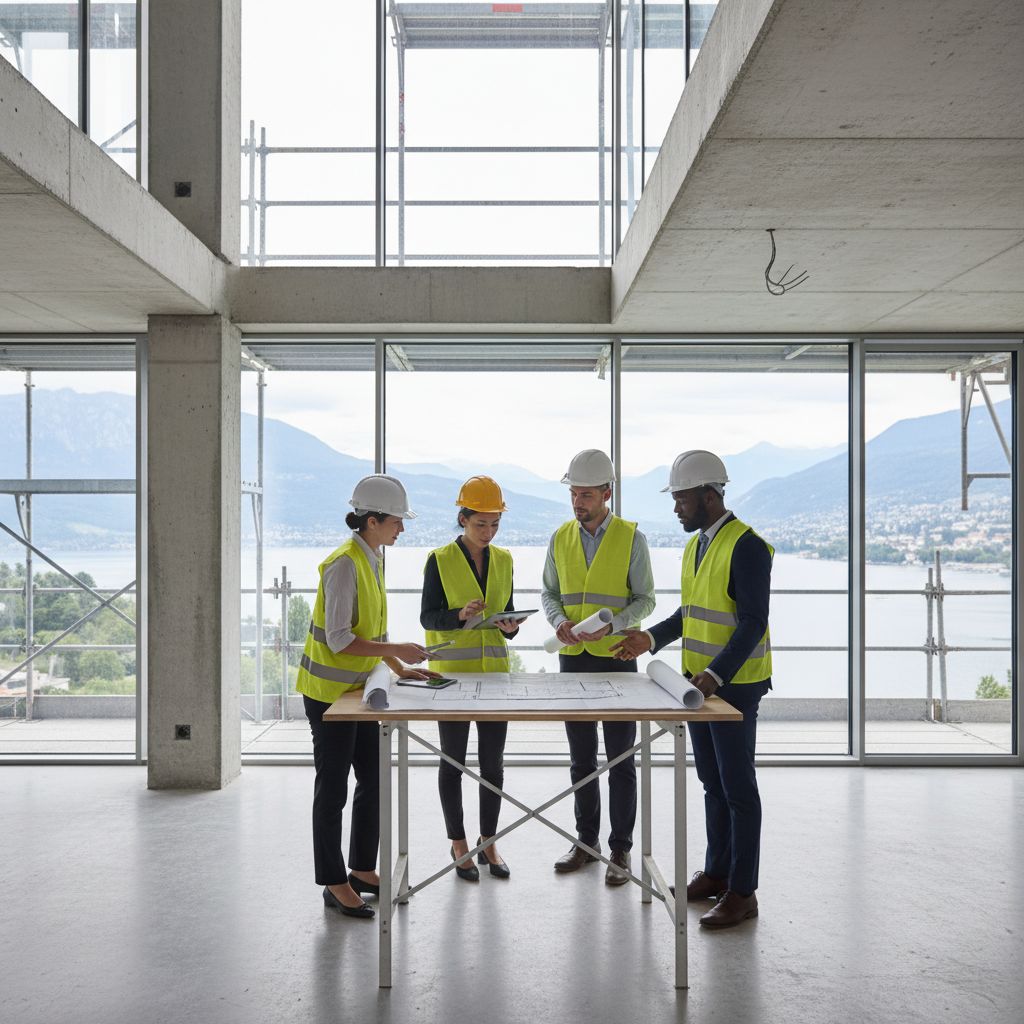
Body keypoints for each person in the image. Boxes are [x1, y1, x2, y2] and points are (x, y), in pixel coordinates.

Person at [611, 450, 773, 928]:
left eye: (681, 499)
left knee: (738, 788)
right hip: (697, 687)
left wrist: (716, 675)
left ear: (708, 496)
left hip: (735, 687)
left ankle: (743, 891)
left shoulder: (746, 546)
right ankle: (718, 873)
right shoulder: (697, 545)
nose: (676, 507)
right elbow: (691, 614)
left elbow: (753, 622)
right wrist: (650, 638)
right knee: (712, 783)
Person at [297, 474, 435, 919]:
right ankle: (333, 881)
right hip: (328, 697)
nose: (402, 528)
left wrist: (398, 666)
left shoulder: (371, 558)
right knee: (333, 789)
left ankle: (360, 869)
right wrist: (398, 651)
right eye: (396, 521)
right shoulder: (344, 565)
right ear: (372, 521)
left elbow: (374, 630)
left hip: (357, 693)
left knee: (372, 781)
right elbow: (339, 639)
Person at [542, 449, 656, 885]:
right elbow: (550, 593)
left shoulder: (631, 538)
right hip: (572, 661)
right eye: (573, 493)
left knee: (621, 759)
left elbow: (645, 599)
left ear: (607, 493)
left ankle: (620, 850)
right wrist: (559, 621)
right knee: (581, 759)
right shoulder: (559, 538)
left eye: (586, 494)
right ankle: (585, 843)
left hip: (617, 660)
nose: (578, 502)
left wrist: (614, 624)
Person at [421, 476, 520, 882]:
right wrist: (459, 615)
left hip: (494, 677)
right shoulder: (439, 560)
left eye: (495, 524)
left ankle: (488, 842)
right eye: (481, 524)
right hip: (451, 678)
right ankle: (459, 843)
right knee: (453, 762)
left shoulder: (506, 560)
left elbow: (506, 614)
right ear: (462, 519)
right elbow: (428, 618)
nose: (488, 532)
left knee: (493, 765)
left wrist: (511, 627)